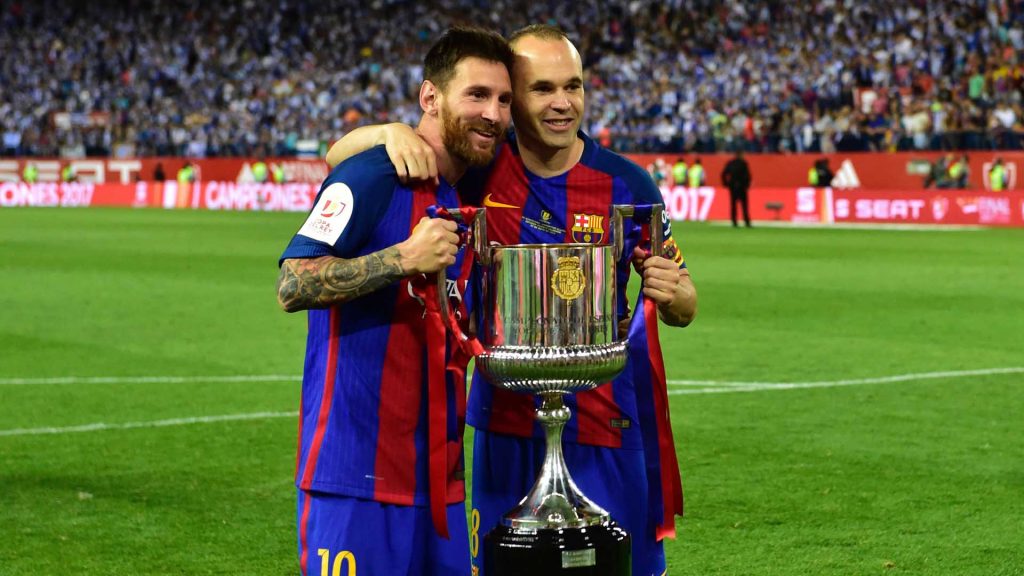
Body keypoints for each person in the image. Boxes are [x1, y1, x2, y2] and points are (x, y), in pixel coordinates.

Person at [326, 24, 697, 576]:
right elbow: (338, 155)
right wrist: (389, 131)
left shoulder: (628, 185)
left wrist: (676, 294)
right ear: (511, 100)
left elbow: (684, 301)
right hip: (504, 424)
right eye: (541, 88)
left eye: (573, 86)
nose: (562, 103)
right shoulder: (478, 169)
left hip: (607, 426)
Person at [276, 27, 513, 576]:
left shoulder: (466, 186)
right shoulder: (373, 175)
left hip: (441, 481)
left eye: (503, 100)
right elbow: (292, 284)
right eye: (477, 95)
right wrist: (402, 258)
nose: (493, 114)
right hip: (356, 477)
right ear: (430, 96)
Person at [721, 149, 752, 227]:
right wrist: (747, 185)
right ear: (740, 155)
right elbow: (747, 175)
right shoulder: (743, 163)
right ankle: (746, 221)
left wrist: (726, 184)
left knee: (733, 205)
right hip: (742, 187)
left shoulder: (731, 163)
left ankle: (734, 221)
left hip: (733, 187)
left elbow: (723, 174)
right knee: (744, 205)